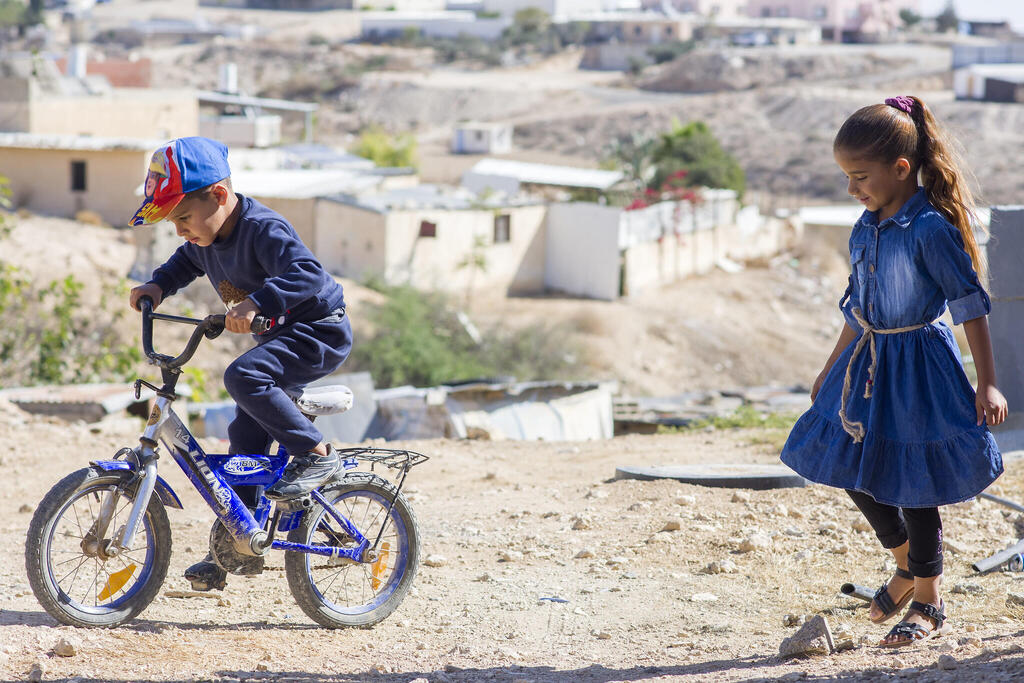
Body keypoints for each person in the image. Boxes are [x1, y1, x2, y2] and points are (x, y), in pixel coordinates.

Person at [780, 96, 1007, 647]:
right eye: (846, 178)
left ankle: (928, 600)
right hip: (867, 363)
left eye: (860, 176)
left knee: (914, 481)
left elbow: (969, 304)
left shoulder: (930, 228)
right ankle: (906, 564)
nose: (852, 189)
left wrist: (987, 379)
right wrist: (830, 367)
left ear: (900, 168)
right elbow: (857, 306)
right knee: (839, 456)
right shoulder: (865, 227)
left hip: (921, 367)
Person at [128, 136, 353, 590]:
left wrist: (257, 301)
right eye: (173, 222)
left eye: (183, 217)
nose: (180, 230)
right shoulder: (205, 236)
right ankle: (238, 541)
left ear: (218, 196)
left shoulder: (263, 229)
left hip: (318, 331)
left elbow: (309, 273)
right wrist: (157, 286)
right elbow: (183, 262)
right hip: (281, 335)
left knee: (243, 375)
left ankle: (315, 454)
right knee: (245, 435)